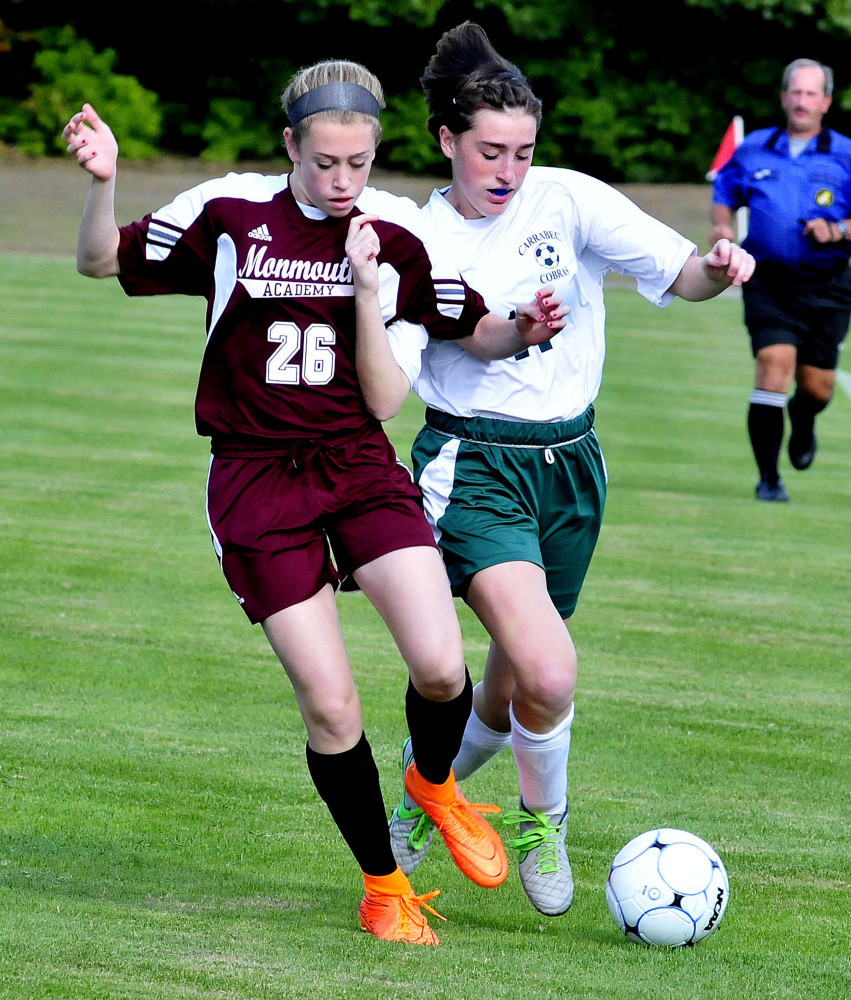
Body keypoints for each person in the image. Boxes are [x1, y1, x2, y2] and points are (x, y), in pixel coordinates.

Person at [61, 58, 565, 945]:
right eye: (325, 162)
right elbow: (100, 260)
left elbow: (463, 327)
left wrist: (518, 330)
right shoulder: (230, 212)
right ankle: (384, 886)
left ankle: (432, 784)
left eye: (358, 164)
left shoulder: (392, 231)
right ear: (290, 145)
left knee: (441, 667)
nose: (341, 181)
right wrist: (104, 183)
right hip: (255, 476)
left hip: (357, 463)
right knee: (331, 705)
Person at [373, 22, 754, 918]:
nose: (508, 170)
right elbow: (442, 347)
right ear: (446, 140)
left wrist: (719, 267)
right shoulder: (418, 238)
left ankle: (423, 788)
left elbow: (682, 276)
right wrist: (512, 332)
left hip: (573, 466)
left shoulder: (570, 198)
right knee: (549, 672)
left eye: (522, 151)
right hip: (475, 466)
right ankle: (545, 826)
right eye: (489, 151)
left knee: (510, 690)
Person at [712, 58, 851, 502]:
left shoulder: (845, 153)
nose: (802, 101)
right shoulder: (755, 147)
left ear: (826, 101)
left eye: (811, 93)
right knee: (773, 365)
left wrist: (839, 230)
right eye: (796, 92)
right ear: (783, 97)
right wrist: (722, 227)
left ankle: (804, 417)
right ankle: (769, 479)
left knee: (818, 388)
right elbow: (725, 190)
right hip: (768, 281)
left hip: (828, 285)